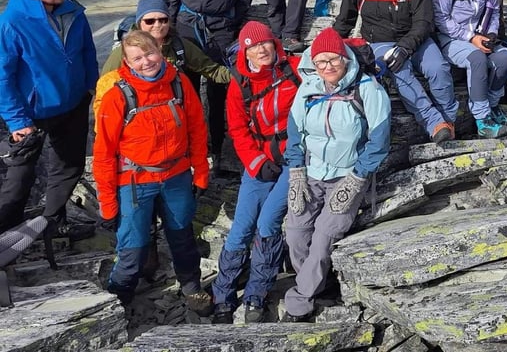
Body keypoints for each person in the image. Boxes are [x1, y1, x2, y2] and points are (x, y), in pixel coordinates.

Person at [92, 30, 211, 314]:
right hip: (134, 182)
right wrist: (108, 205)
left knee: (182, 237)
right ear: (127, 62)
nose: (146, 62)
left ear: (160, 49)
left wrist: (201, 172)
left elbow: (196, 127)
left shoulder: (178, 83)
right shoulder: (117, 96)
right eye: (137, 58)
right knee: (132, 248)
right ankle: (119, 299)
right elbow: (104, 154)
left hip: (176, 175)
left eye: (150, 53)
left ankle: (192, 287)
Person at [282, 27, 390, 322]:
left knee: (323, 236)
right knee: (295, 233)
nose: (327, 67)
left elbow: (379, 140)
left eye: (333, 60)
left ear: (345, 59)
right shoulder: (308, 87)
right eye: (321, 62)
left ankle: (299, 302)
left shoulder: (367, 88)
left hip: (348, 175)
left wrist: (357, 178)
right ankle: (322, 284)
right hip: (312, 173)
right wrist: (297, 172)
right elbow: (294, 134)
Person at [0, 0, 97, 238]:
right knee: (20, 176)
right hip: (33, 111)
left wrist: (91, 86)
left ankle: (52, 223)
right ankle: (6, 234)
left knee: (68, 167)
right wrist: (17, 120)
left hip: (73, 102)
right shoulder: (12, 22)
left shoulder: (73, 10)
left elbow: (87, 51)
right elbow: (2, 77)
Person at [334, 0, 459, 142]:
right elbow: (344, 21)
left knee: (438, 68)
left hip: (416, 39)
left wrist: (405, 47)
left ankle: (450, 120)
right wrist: (327, 48)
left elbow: (423, 21)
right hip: (379, 42)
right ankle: (434, 123)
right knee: (399, 69)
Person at [211, 22, 299, 324]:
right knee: (241, 228)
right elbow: (237, 129)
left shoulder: (294, 69)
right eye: (253, 46)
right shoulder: (240, 84)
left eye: (266, 44)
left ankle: (255, 296)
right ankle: (222, 296)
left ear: (275, 44)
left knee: (268, 222)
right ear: (245, 51)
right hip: (259, 159)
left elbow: (331, 54)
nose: (261, 50)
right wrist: (255, 162)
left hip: (294, 158)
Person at [168, 0, 256, 164]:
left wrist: (234, 17)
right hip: (188, 28)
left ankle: (216, 149)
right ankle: (193, 150)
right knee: (187, 92)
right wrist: (171, 27)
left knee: (220, 91)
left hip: (220, 30)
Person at [433, 0, 507, 138]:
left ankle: (493, 106)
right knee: (477, 59)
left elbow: (493, 10)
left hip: (479, 35)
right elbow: (440, 19)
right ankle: (482, 118)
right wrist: (470, 37)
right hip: (450, 39)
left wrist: (491, 33)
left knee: (503, 59)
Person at [99, 0, 231, 88]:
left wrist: (243, 75)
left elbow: (212, 70)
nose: (157, 25)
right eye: (150, 21)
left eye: (163, 20)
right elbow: (104, 85)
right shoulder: (124, 51)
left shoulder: (180, 46)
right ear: (139, 23)